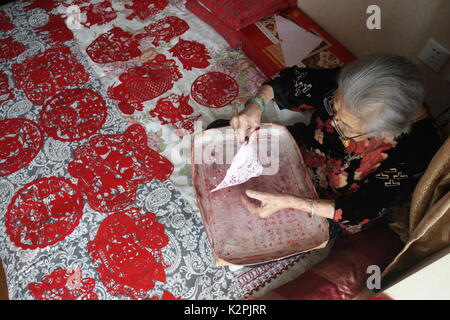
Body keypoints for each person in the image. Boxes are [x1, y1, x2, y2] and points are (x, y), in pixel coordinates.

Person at [207, 53, 442, 239]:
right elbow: (288, 83)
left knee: (256, 235)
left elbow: (361, 210)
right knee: (218, 134)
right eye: (333, 107)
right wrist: (256, 105)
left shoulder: (418, 149)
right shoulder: (354, 85)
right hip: (306, 151)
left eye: (345, 127)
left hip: (329, 203)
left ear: (384, 133)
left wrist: (290, 202)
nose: (333, 120)